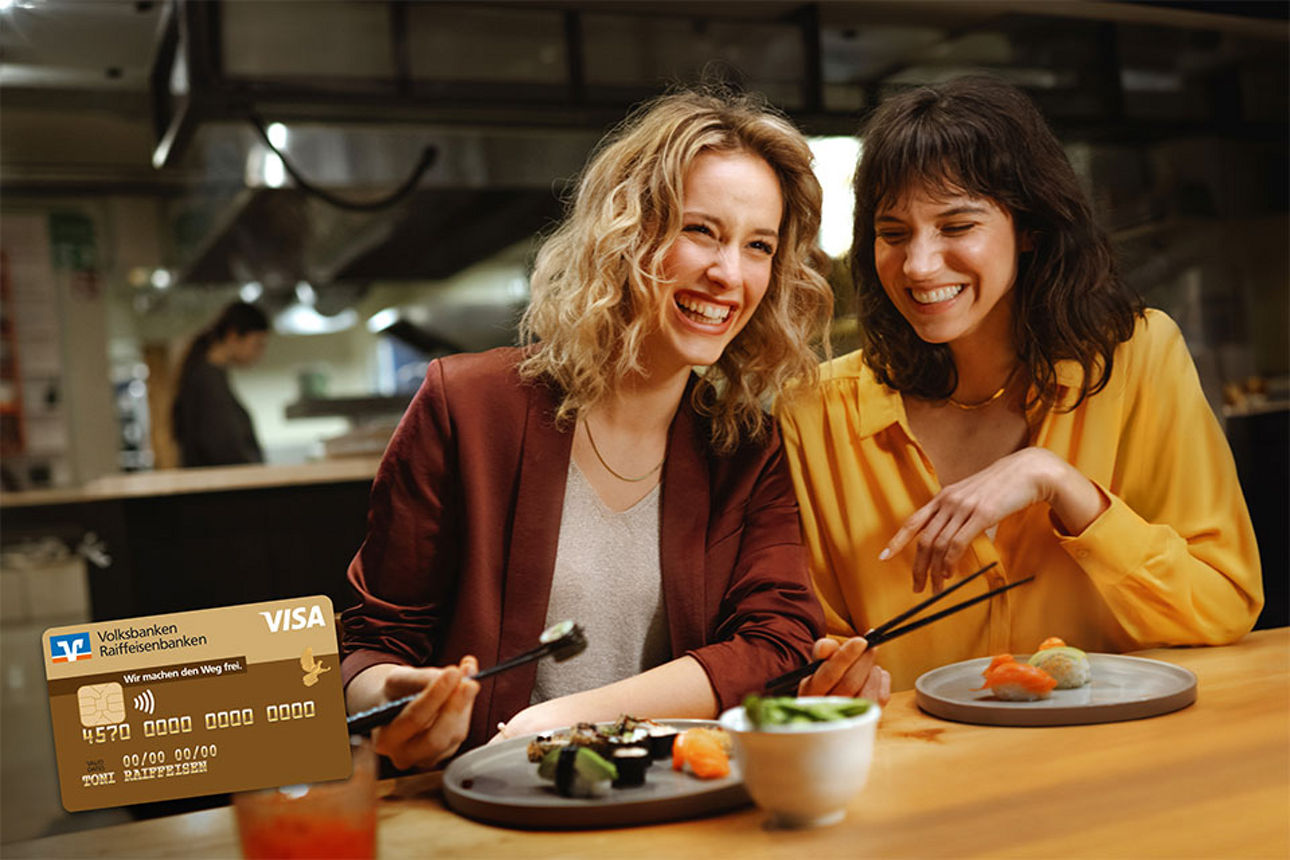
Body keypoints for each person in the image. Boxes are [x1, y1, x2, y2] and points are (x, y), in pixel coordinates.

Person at [340, 88, 840, 772]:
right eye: (701, 231)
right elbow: (370, 643)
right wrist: (390, 702)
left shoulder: (745, 447)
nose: (729, 274)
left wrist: (572, 716)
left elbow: (777, 642)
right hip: (483, 809)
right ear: (627, 231)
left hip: (673, 806)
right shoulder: (466, 405)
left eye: (758, 246)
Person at [781, 76, 1263, 695]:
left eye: (956, 226)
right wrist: (834, 678)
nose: (919, 265)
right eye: (893, 233)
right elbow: (808, 647)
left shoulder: (1139, 357)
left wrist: (1060, 483)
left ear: (1028, 228)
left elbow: (1223, 604)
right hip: (924, 773)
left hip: (1114, 763)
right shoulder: (814, 411)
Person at [171, 301, 269, 467]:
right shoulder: (208, 380)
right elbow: (223, 447)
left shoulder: (205, 375)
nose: (259, 353)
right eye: (257, 344)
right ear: (233, 337)